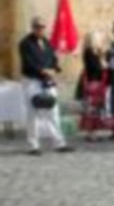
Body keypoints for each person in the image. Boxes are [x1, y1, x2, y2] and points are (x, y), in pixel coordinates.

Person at [19, 17, 74, 155]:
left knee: (53, 112)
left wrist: (54, 69)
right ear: (33, 27)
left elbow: (53, 60)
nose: (40, 29)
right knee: (32, 113)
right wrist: (42, 70)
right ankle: (33, 145)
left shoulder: (47, 42)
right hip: (32, 80)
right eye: (38, 27)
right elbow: (28, 62)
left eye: (42, 27)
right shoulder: (25, 43)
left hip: (48, 81)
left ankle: (59, 143)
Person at [81, 31, 109, 141]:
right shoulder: (90, 53)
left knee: (95, 109)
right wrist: (102, 62)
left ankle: (93, 132)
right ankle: (91, 133)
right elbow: (96, 68)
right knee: (92, 108)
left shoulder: (93, 53)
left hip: (95, 82)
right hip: (93, 82)